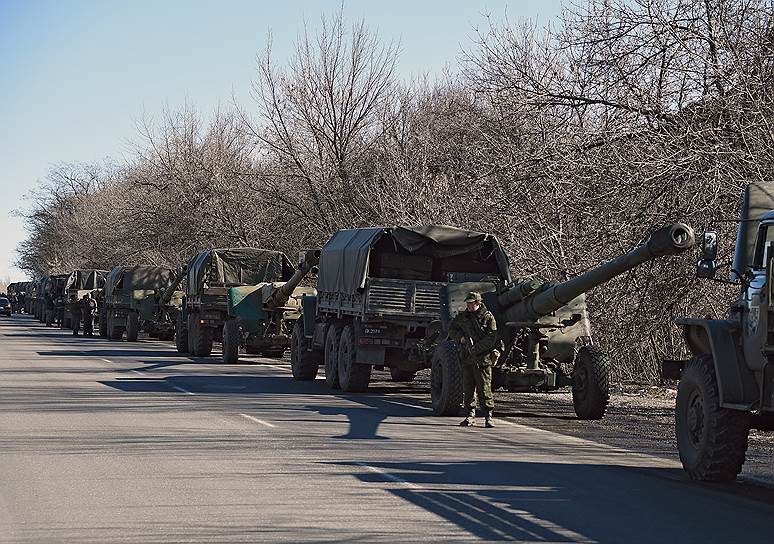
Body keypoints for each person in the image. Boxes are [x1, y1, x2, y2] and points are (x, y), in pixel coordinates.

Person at [447, 291, 498, 428]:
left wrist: (477, 348)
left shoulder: (487, 317)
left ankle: (488, 416)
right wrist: (461, 338)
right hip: (467, 358)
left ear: (478, 303)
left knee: (484, 389)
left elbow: (491, 337)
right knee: (468, 388)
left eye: (471, 303)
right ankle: (470, 415)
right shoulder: (463, 317)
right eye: (468, 303)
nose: (469, 306)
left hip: (482, 360)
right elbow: (451, 329)